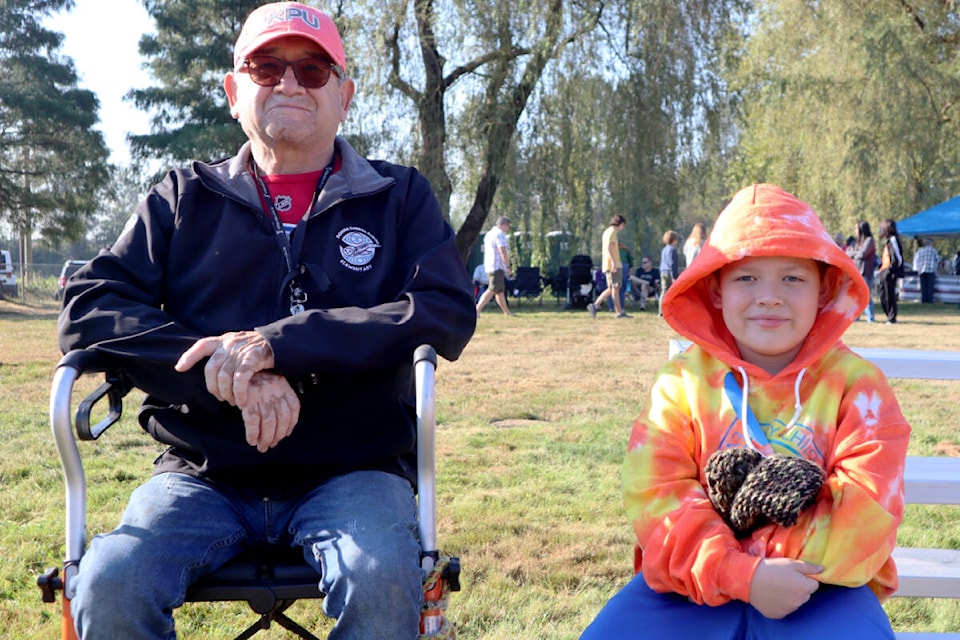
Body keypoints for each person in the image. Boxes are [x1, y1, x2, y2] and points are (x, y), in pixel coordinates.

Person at [57, 3, 477, 638]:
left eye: (312, 69)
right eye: (265, 66)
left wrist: (280, 347)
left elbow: (443, 309)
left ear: (344, 95)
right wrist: (222, 369)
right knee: (111, 582)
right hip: (203, 471)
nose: (287, 82)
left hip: (353, 470)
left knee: (384, 578)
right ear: (233, 91)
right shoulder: (183, 198)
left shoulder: (398, 198)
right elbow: (90, 305)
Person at [580, 183, 910, 640]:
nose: (770, 296)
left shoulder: (859, 388)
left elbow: (867, 507)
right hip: (693, 586)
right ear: (715, 289)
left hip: (821, 585)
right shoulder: (680, 385)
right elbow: (658, 498)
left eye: (793, 278)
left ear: (824, 287)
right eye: (746, 278)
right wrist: (742, 575)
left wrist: (770, 571)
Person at [589, 214, 631, 318]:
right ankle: (619, 312)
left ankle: (595, 305)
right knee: (615, 289)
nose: (623, 228)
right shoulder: (612, 232)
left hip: (609, 264)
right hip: (613, 264)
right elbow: (608, 248)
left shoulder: (607, 231)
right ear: (620, 223)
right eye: (623, 225)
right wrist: (613, 262)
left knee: (612, 288)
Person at [476, 215, 514, 316]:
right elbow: (503, 251)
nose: (508, 229)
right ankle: (477, 309)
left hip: (489, 265)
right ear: (503, 225)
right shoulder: (500, 234)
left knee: (499, 291)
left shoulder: (489, 234)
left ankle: (507, 312)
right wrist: (508, 267)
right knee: (492, 289)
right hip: (496, 266)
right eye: (508, 226)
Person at [877, 218, 904, 323]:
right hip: (883, 270)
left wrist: (891, 270)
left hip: (890, 272)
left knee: (890, 295)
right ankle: (888, 315)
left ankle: (892, 318)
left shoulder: (893, 240)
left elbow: (898, 258)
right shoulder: (888, 241)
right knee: (882, 293)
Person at [851, 220, 877, 322]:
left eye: (856, 228)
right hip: (857, 272)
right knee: (856, 296)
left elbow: (862, 254)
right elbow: (848, 252)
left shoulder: (869, 241)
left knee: (866, 296)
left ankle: (870, 319)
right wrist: (855, 253)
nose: (855, 230)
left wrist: (854, 253)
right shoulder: (858, 243)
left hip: (865, 272)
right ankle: (856, 318)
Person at [913, 237, 941, 304]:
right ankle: (930, 300)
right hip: (931, 270)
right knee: (930, 286)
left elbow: (917, 260)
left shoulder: (920, 250)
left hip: (922, 270)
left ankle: (924, 300)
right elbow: (938, 260)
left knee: (923, 287)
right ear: (931, 243)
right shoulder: (933, 250)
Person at [658, 229, 680, 316]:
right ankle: (671, 310)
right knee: (673, 292)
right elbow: (672, 264)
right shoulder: (673, 250)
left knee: (664, 291)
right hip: (669, 272)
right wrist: (674, 276)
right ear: (674, 240)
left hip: (663, 271)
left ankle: (661, 311)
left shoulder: (664, 249)